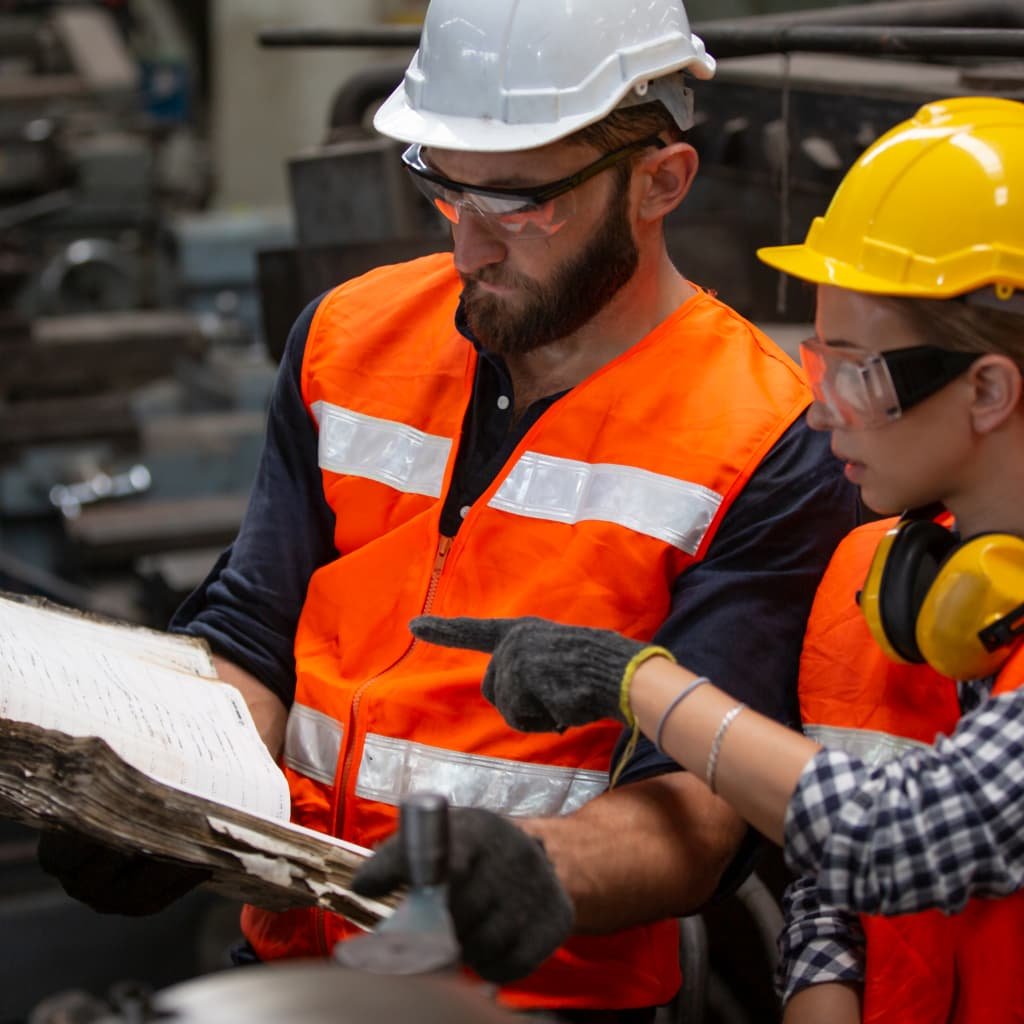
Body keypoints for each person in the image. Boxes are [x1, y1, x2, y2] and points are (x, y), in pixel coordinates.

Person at [37, 0, 856, 1017]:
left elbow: (696, 806)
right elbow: (254, 632)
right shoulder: (349, 339)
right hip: (297, 966)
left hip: (545, 996)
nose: (471, 247)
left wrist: (536, 868)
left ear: (659, 181)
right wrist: (167, 800)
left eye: (520, 204)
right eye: (441, 184)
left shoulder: (766, 436)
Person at [405, 96, 1024, 1022]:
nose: (821, 413)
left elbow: (893, 835)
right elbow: (826, 877)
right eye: (820, 363)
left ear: (987, 387)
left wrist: (639, 685)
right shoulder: (888, 576)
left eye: (857, 372)